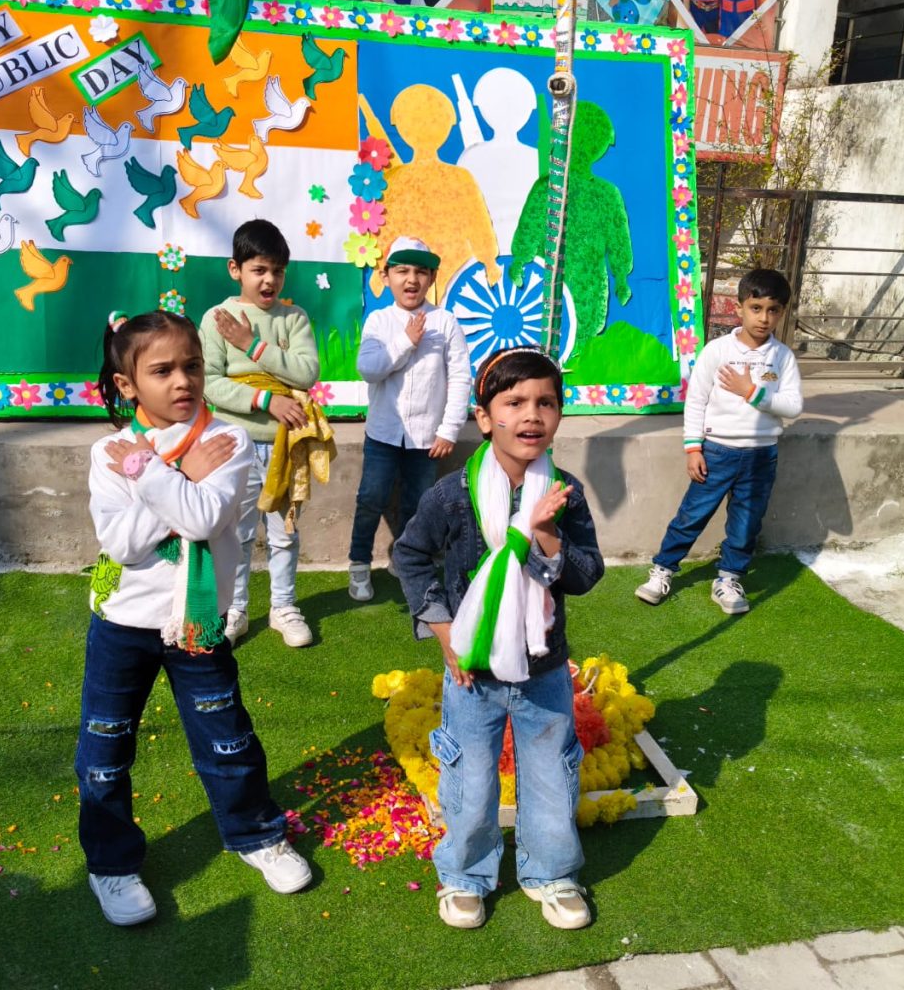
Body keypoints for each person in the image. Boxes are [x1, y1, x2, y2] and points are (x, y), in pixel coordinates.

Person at [79, 310, 311, 927]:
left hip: (198, 621)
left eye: (193, 366)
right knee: (104, 747)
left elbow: (206, 520)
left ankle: (257, 835)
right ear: (127, 385)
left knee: (227, 737)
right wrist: (174, 477)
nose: (182, 380)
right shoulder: (110, 451)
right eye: (162, 371)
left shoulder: (227, 441)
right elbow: (123, 544)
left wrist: (150, 474)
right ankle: (111, 863)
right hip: (122, 622)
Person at [393, 347, 604, 931]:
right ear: (484, 418)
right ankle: (465, 875)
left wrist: (546, 535)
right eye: (514, 403)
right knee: (470, 775)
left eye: (546, 403)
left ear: (559, 415)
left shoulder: (564, 493)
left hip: (543, 667)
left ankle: (552, 873)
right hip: (472, 670)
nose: (531, 415)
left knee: (551, 771)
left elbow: (586, 574)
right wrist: (444, 633)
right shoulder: (452, 494)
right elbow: (410, 556)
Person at [636, 268, 802, 614]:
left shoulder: (783, 357)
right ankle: (663, 570)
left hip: (761, 456)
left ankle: (728, 579)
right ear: (739, 308)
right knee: (691, 516)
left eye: (773, 310)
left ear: (782, 312)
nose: (764, 318)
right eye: (756, 308)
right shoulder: (717, 351)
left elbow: (793, 406)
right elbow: (696, 401)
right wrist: (693, 448)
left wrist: (752, 392)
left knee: (746, 523)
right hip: (716, 452)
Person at [199, 219, 321, 648]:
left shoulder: (294, 318)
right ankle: (235, 608)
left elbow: (306, 373)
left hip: (287, 446)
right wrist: (267, 400)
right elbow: (209, 383)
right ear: (235, 269)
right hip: (235, 446)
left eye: (278, 271)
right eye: (259, 270)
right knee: (237, 533)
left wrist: (253, 346)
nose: (269, 280)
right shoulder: (217, 319)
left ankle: (283, 607)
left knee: (285, 532)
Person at [349, 236, 471, 601]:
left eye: (420, 271)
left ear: (432, 278)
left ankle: (405, 561)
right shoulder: (379, 321)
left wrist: (449, 430)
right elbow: (368, 369)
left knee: (418, 504)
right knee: (371, 498)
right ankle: (359, 563)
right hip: (382, 434)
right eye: (402, 270)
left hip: (427, 438)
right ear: (386, 277)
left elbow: (460, 378)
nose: (411, 279)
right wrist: (405, 341)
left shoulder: (445, 322)